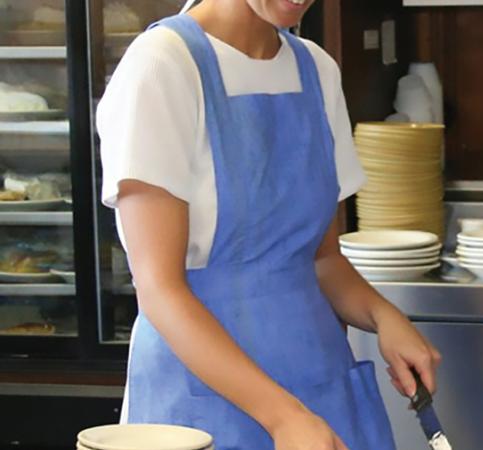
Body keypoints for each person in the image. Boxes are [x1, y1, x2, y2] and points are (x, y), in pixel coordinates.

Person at [96, 0, 441, 448]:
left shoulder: (317, 69)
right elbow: (159, 288)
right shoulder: (163, 65)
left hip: (317, 380)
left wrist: (384, 316)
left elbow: (322, 260)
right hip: (204, 399)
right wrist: (283, 417)